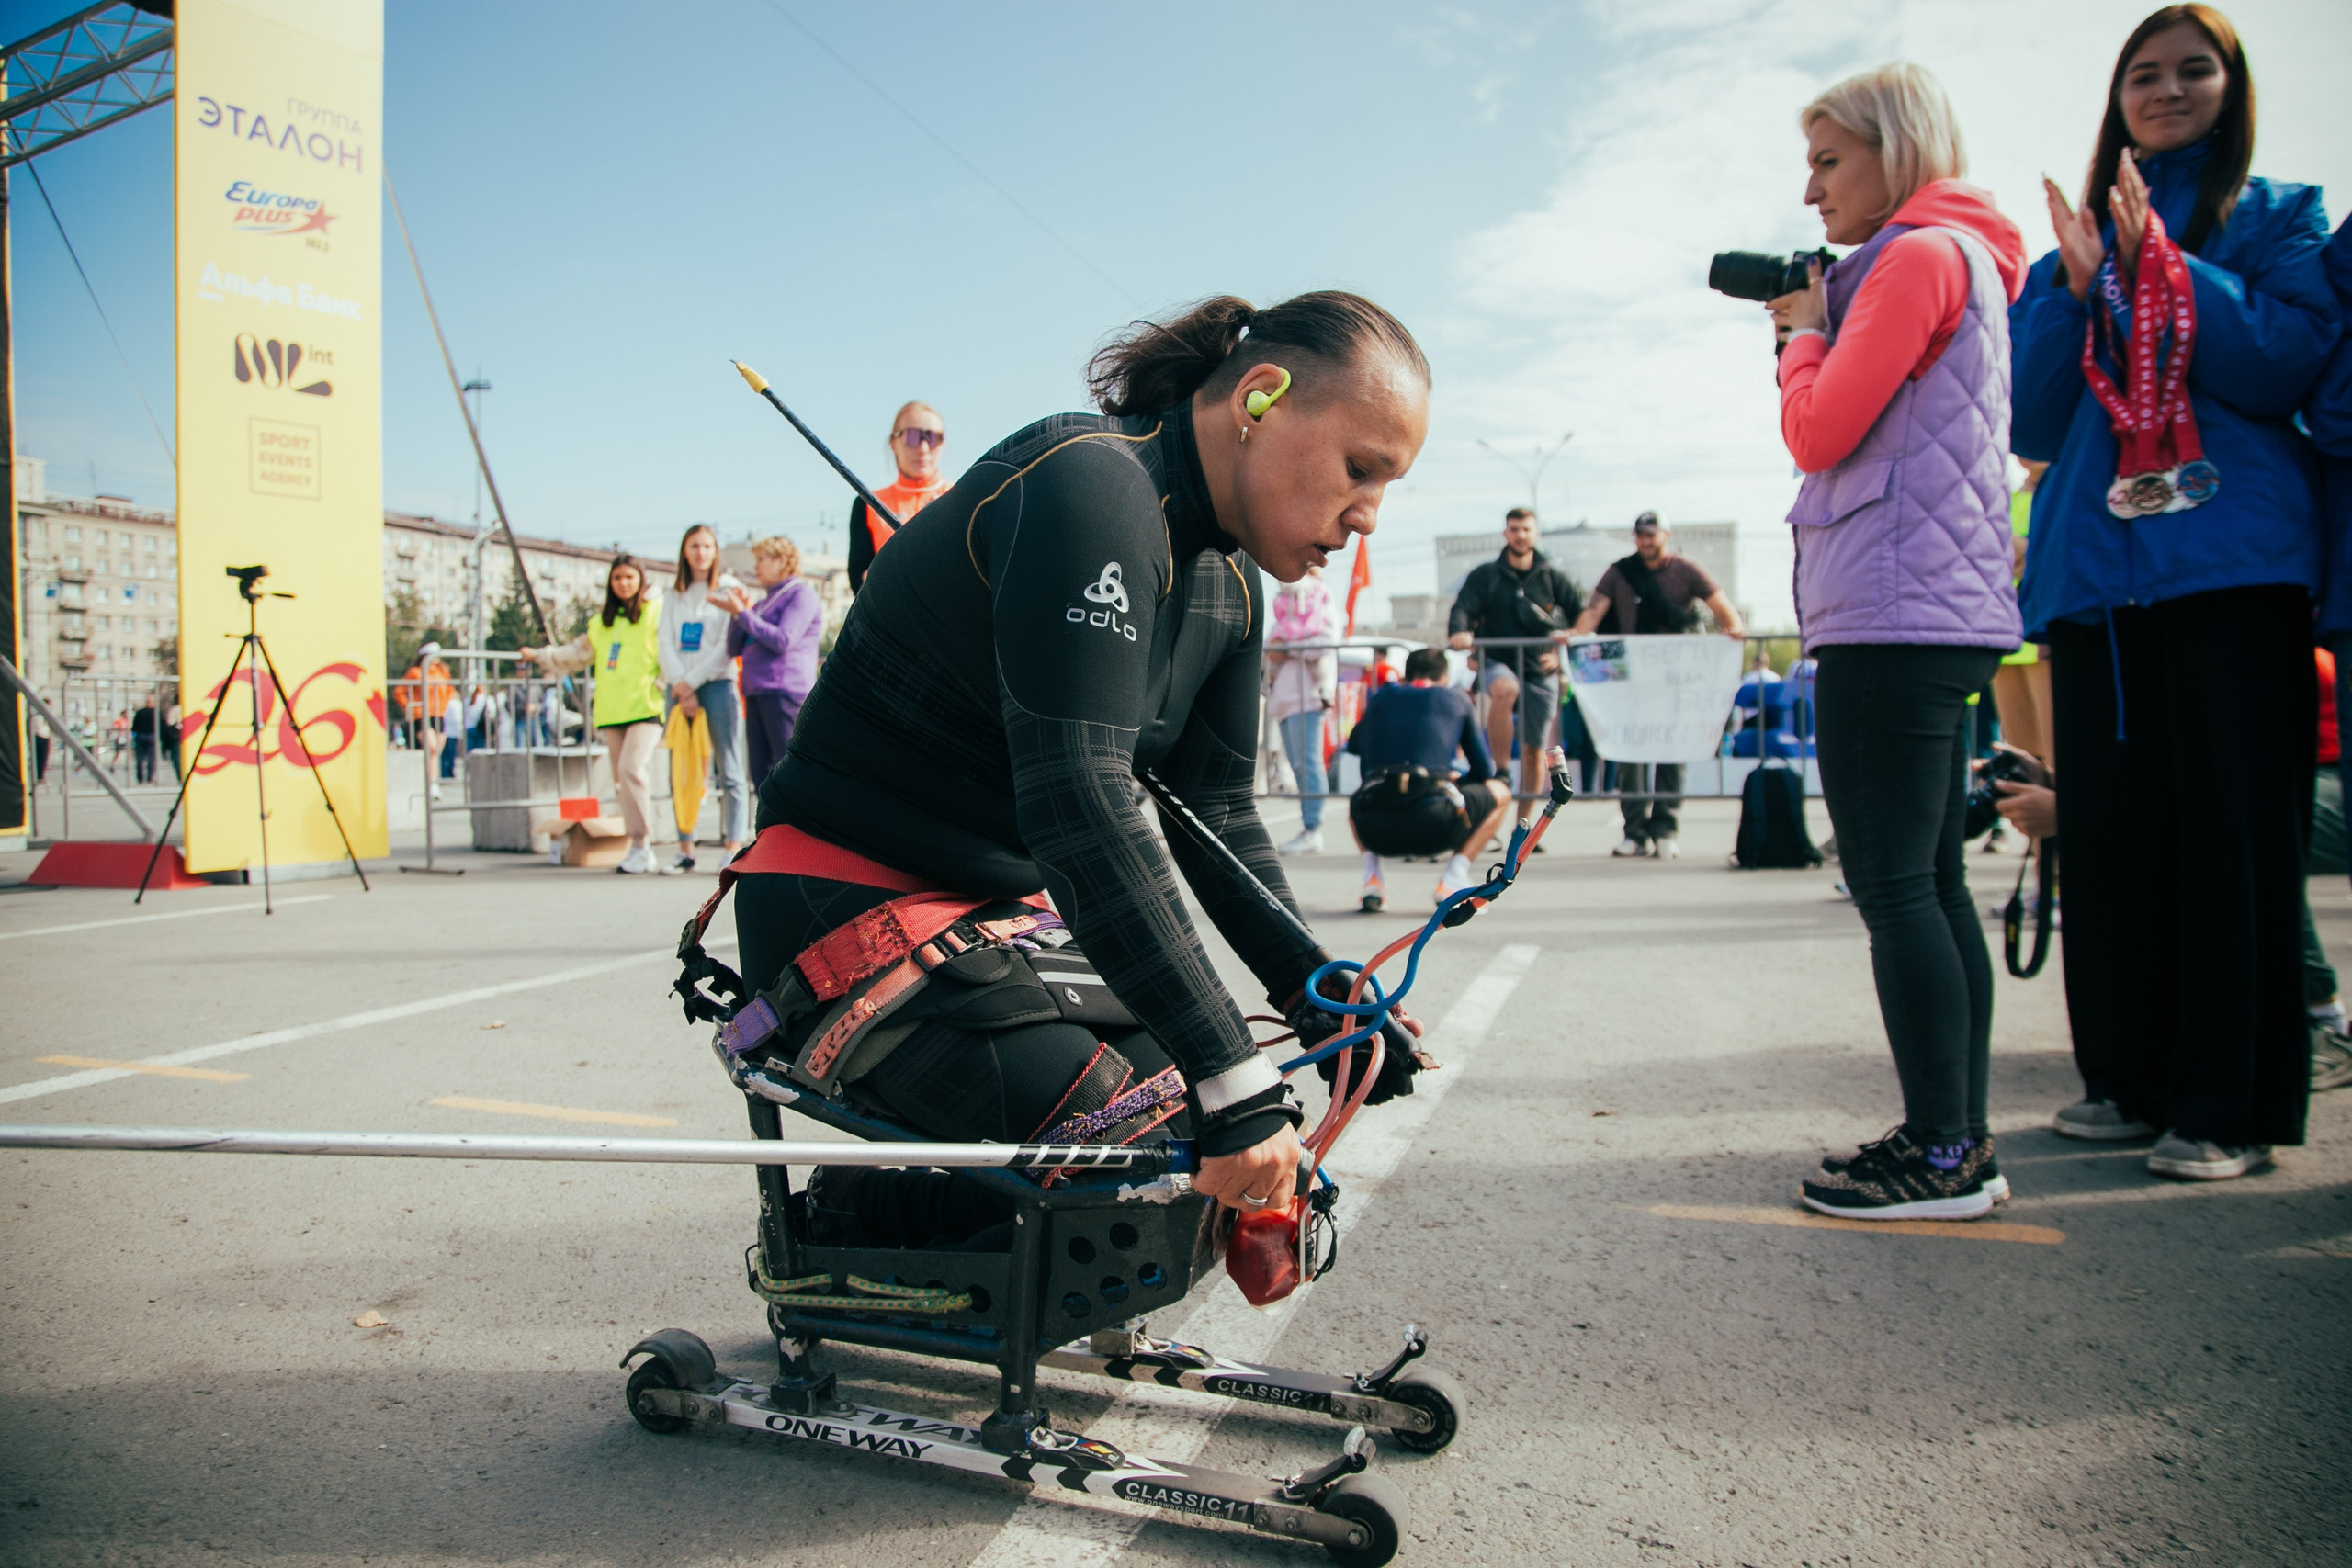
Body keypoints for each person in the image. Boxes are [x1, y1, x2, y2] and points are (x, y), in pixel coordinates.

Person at [734, 290, 1433, 1244]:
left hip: (994, 928)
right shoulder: (1089, 483)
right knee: (1176, 1143)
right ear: (1260, 398)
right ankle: (834, 1238)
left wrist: (1320, 993)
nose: (1368, 516)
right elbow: (1079, 794)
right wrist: (1231, 1079)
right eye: (1361, 469)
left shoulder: (1228, 583)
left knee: (1225, 1123)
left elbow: (1215, 812)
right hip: (841, 909)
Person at [2017, 5, 2339, 1179]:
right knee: (2114, 841)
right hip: (2096, 582)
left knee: (2231, 841)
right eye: (2141, 75)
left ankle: (2231, 1105)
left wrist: (2165, 268)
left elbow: (2286, 359)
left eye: (2191, 69)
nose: (2165, 90)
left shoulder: (2278, 215)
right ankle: (2128, 1079)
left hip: (2231, 567)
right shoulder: (2076, 232)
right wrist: (2071, 287)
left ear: (2230, 85)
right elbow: (2030, 414)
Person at [1764, 61, 2026, 1219]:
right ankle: (1954, 1138)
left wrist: (1799, 337)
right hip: (1940, 607)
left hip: (1894, 608)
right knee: (1929, 883)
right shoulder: (1963, 257)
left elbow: (1819, 431)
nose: (1812, 190)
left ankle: (1942, 1153)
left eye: (1830, 160)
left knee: (1895, 884)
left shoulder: (1915, 257)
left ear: (1895, 150)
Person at [1572, 512, 1747, 858]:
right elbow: (1594, 610)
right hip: (1632, 680)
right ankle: (1634, 832)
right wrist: (1575, 637)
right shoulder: (1621, 571)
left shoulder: (1687, 569)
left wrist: (1734, 628)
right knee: (1629, 752)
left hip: (1675, 677)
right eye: (1640, 535)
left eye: (1652, 534)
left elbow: (1721, 605)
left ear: (1666, 535)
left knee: (1672, 751)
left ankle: (1666, 828)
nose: (1645, 541)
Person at [517, 555, 673, 875]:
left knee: (632, 770)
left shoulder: (654, 612)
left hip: (646, 706)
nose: (624, 584)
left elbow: (670, 622)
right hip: (612, 709)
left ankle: (643, 842)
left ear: (640, 579)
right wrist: (540, 656)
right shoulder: (602, 623)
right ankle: (635, 845)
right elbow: (575, 654)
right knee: (620, 780)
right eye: (618, 578)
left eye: (630, 577)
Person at [1346, 646, 1509, 912]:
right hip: (1435, 825)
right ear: (1443, 676)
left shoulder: (1380, 698)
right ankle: (1453, 880)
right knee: (1500, 792)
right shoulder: (1454, 698)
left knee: (1358, 798)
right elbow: (1483, 771)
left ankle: (1372, 879)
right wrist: (1452, 778)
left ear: (1407, 674)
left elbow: (1362, 760)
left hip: (1374, 827)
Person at [1446, 507, 1581, 807]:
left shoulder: (1551, 576)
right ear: (1506, 533)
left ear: (1536, 533)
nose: (1520, 535)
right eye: (1515, 529)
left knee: (1536, 752)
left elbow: (1581, 617)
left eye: (1526, 529)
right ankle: (1503, 769)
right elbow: (1463, 609)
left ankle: (1523, 826)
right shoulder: (1486, 575)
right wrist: (1460, 632)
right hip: (1498, 659)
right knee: (1505, 689)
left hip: (1540, 667)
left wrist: (1563, 652)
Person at [659, 524, 750, 872]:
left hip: (717, 685)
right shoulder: (673, 595)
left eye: (707, 546)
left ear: (716, 551)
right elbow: (664, 641)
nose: (700, 553)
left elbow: (726, 645)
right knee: (683, 768)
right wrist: (681, 686)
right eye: (694, 546)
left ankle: (733, 847)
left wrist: (692, 681)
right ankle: (685, 847)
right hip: (680, 689)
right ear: (684, 550)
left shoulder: (728, 589)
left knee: (729, 768)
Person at [719, 536, 823, 789]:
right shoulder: (762, 603)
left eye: (761, 560)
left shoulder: (801, 595)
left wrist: (743, 614)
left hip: (784, 691)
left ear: (782, 561)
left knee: (786, 769)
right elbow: (733, 648)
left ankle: (791, 828)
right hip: (756, 692)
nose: (756, 567)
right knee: (759, 773)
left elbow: (783, 640)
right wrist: (737, 614)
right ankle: (768, 827)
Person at [1266, 563, 1340, 854]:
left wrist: (1288, 647)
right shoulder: (1282, 611)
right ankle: (1310, 827)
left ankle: (1313, 829)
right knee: (1298, 766)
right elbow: (1269, 643)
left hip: (1309, 696)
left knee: (1308, 765)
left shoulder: (1322, 602)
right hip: (1285, 699)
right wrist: (1280, 647)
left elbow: (1325, 644)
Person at [846, 401, 951, 593]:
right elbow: (858, 579)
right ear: (893, 442)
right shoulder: (868, 503)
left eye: (933, 437)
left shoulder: (961, 497)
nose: (923, 448)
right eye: (913, 436)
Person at [1990, 460, 2055, 767]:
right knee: (2021, 756)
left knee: (2055, 751)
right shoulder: (2010, 496)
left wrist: (2019, 552)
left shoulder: (2059, 489)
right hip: (2005, 639)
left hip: (2042, 637)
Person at [130, 696, 159, 784]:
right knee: (151, 758)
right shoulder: (156, 712)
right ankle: (149, 778)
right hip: (152, 736)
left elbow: (134, 726)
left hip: (140, 736)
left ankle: (140, 778)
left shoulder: (140, 712)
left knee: (140, 758)